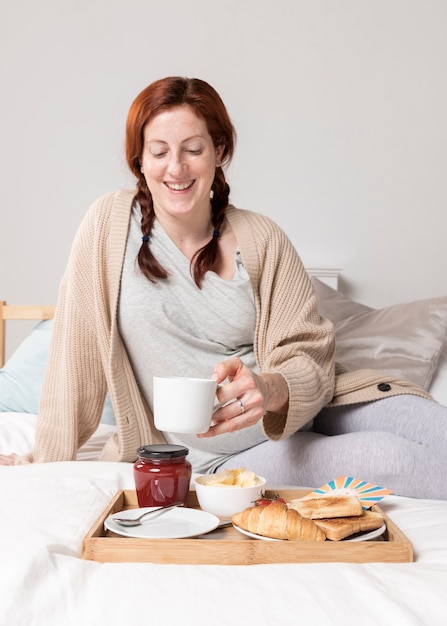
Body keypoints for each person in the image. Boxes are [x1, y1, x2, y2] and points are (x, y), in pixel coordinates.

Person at [1, 76, 446, 500]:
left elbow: (309, 353)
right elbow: (73, 356)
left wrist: (269, 387)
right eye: (158, 152)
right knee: (392, 460)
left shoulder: (263, 237)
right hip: (232, 455)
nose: (176, 168)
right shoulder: (108, 226)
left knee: (434, 428)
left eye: (193, 149)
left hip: (317, 401)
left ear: (219, 151)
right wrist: (45, 463)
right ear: (139, 160)